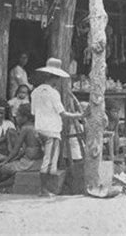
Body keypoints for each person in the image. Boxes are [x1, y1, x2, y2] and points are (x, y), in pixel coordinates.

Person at [32, 57, 83, 196]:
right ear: (54, 78)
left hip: (39, 128)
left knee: (47, 159)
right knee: (49, 162)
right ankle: (44, 190)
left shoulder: (35, 92)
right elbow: (63, 114)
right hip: (51, 130)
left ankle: (44, 189)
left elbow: (33, 112)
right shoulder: (53, 93)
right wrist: (79, 115)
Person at [0, 104, 43, 190]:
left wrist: (5, 162)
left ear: (25, 117)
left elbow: (15, 150)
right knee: (5, 166)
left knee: (2, 169)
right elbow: (23, 150)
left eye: (18, 116)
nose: (16, 118)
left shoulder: (25, 129)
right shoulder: (35, 127)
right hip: (37, 162)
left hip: (28, 163)